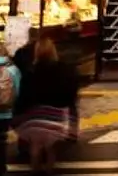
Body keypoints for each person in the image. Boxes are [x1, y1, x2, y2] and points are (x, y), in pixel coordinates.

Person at [10, 38, 78, 176]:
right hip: (56, 117)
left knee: (35, 146)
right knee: (51, 146)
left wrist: (15, 116)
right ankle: (49, 169)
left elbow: (23, 97)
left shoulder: (31, 72)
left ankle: (35, 169)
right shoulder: (64, 70)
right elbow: (69, 94)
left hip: (33, 119)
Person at [0, 45, 21, 176]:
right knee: (1, 142)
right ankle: (1, 169)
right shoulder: (13, 69)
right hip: (6, 113)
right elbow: (17, 91)